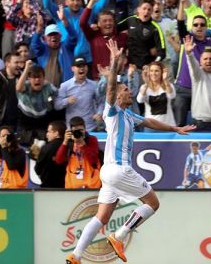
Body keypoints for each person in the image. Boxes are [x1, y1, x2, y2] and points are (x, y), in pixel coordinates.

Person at [65, 39, 195, 264]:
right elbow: (110, 88)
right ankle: (119, 236)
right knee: (153, 203)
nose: (128, 90)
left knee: (102, 216)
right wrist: (115, 63)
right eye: (125, 89)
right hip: (119, 169)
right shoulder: (113, 112)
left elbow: (151, 122)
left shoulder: (129, 115)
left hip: (109, 174)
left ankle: (75, 256)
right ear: (117, 97)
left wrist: (174, 128)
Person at [16, 60, 60, 144]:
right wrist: (27, 68)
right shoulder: (26, 85)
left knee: (42, 145)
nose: (37, 80)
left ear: (43, 78)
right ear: (29, 79)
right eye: (34, 77)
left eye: (39, 77)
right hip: (25, 121)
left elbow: (59, 94)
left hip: (42, 121)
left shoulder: (48, 86)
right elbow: (18, 87)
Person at [54, 56, 103, 132]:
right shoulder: (65, 86)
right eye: (78, 66)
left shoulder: (93, 85)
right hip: (73, 128)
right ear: (72, 68)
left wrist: (99, 113)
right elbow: (56, 105)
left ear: (87, 68)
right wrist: (67, 101)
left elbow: (100, 102)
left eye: (84, 66)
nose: (82, 68)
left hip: (90, 127)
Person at [55, 116, 101, 189]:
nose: (78, 133)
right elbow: (58, 160)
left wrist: (83, 144)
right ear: (71, 131)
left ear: (85, 129)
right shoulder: (69, 141)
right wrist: (65, 142)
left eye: (81, 130)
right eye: (75, 131)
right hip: (72, 185)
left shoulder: (91, 139)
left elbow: (93, 160)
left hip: (91, 185)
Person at [137, 61, 176, 131]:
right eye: (151, 71)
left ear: (162, 72)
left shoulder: (169, 85)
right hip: (151, 127)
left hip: (167, 126)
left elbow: (172, 96)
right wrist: (146, 83)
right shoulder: (144, 87)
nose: (153, 73)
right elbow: (140, 100)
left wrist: (165, 80)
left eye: (156, 71)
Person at [33, 120, 67, 188]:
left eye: (49, 131)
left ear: (56, 133)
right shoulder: (71, 146)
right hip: (68, 187)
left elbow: (37, 168)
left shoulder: (46, 148)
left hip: (48, 187)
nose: (46, 134)